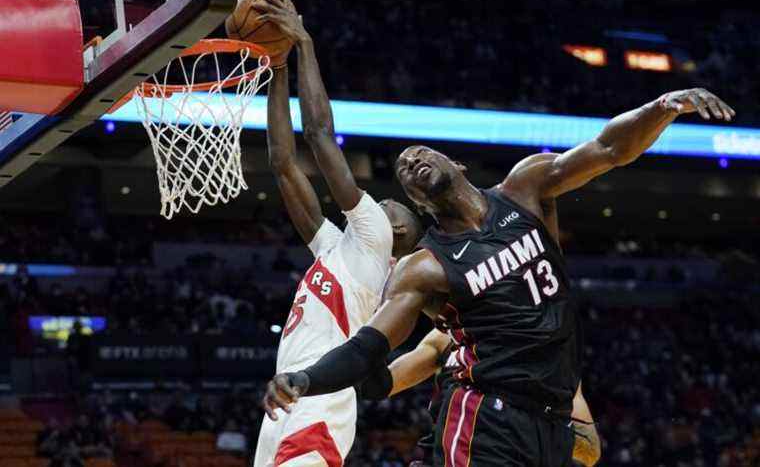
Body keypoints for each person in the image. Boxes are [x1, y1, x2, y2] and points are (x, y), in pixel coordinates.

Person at [263, 85, 735, 466]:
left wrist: (661, 106)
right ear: (421, 205)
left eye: (420, 152)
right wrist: (305, 380)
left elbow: (609, 148)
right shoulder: (425, 267)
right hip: (486, 416)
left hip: (550, 421)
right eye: (404, 172)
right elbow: (370, 349)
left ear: (457, 163)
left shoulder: (525, 187)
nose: (410, 162)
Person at [252, 0, 423, 467]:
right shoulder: (338, 247)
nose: (384, 201)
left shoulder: (376, 239)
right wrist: (277, 68)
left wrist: (304, 44)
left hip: (320, 401)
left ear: (401, 233)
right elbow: (284, 164)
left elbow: (320, 136)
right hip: (286, 395)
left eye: (395, 206)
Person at [358, 329, 601, 466]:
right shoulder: (446, 338)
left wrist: (526, 422)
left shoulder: (549, 356)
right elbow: (381, 385)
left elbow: (590, 450)